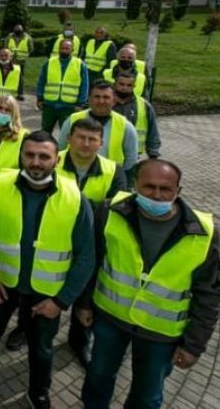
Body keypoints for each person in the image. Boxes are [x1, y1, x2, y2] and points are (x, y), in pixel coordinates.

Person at [0, 131, 95, 409]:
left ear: (56, 159)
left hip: (46, 295)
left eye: (43, 156)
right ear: (21, 155)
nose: (36, 162)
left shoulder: (75, 197)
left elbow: (86, 256)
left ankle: (39, 392)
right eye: (30, 155)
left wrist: (61, 301)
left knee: (41, 349)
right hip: (1, 286)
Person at [78, 159, 220, 409]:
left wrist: (194, 345)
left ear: (178, 191)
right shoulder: (109, 212)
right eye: (148, 187)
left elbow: (209, 296)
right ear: (135, 186)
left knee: (147, 396)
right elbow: (93, 263)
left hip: (161, 335)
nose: (156, 195)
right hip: (110, 320)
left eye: (165, 189)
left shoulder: (205, 234)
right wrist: (84, 304)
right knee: (98, 377)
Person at [56, 117, 127, 367]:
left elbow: (116, 209)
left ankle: (80, 340)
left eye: (91, 139)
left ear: (101, 143)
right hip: (54, 240)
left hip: (92, 244)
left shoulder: (113, 170)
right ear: (69, 138)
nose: (85, 143)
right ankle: (24, 328)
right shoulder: (52, 161)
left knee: (86, 295)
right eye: (80, 137)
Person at [57, 80, 138, 173]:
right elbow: (59, 150)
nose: (101, 101)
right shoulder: (72, 120)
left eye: (106, 97)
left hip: (109, 180)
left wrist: (121, 181)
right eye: (97, 97)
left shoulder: (125, 126)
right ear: (89, 100)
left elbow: (131, 160)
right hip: (71, 178)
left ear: (114, 100)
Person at [36, 38, 89, 134]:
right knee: (45, 132)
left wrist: (81, 104)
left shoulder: (80, 64)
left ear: (72, 50)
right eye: (62, 48)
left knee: (66, 133)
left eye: (67, 48)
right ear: (59, 49)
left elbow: (84, 85)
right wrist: (39, 98)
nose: (64, 50)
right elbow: (41, 81)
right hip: (49, 105)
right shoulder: (49, 62)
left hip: (68, 106)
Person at [113, 72, 161, 159]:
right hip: (108, 155)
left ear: (134, 86)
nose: (125, 88)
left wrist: (153, 154)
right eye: (121, 84)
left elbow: (152, 131)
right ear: (115, 84)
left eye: (129, 85)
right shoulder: (104, 103)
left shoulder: (144, 105)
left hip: (133, 156)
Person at [6, 24, 34, 100]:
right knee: (9, 76)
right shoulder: (9, 37)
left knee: (20, 77)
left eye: (19, 30)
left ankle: (20, 93)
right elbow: (5, 47)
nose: (18, 32)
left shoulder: (27, 38)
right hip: (10, 60)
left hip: (21, 60)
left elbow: (31, 48)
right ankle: (9, 93)